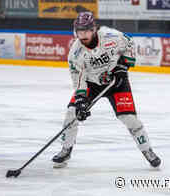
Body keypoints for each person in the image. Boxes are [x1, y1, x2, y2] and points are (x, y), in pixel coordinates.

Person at [52, 12, 161, 168]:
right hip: (91, 84)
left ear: (94, 29)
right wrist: (81, 100)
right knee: (72, 112)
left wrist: (123, 66)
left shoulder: (111, 36)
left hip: (117, 81)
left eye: (86, 30)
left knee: (129, 118)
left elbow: (129, 43)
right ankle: (66, 148)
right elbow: (78, 78)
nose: (82, 35)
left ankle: (147, 150)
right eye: (79, 31)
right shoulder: (75, 54)